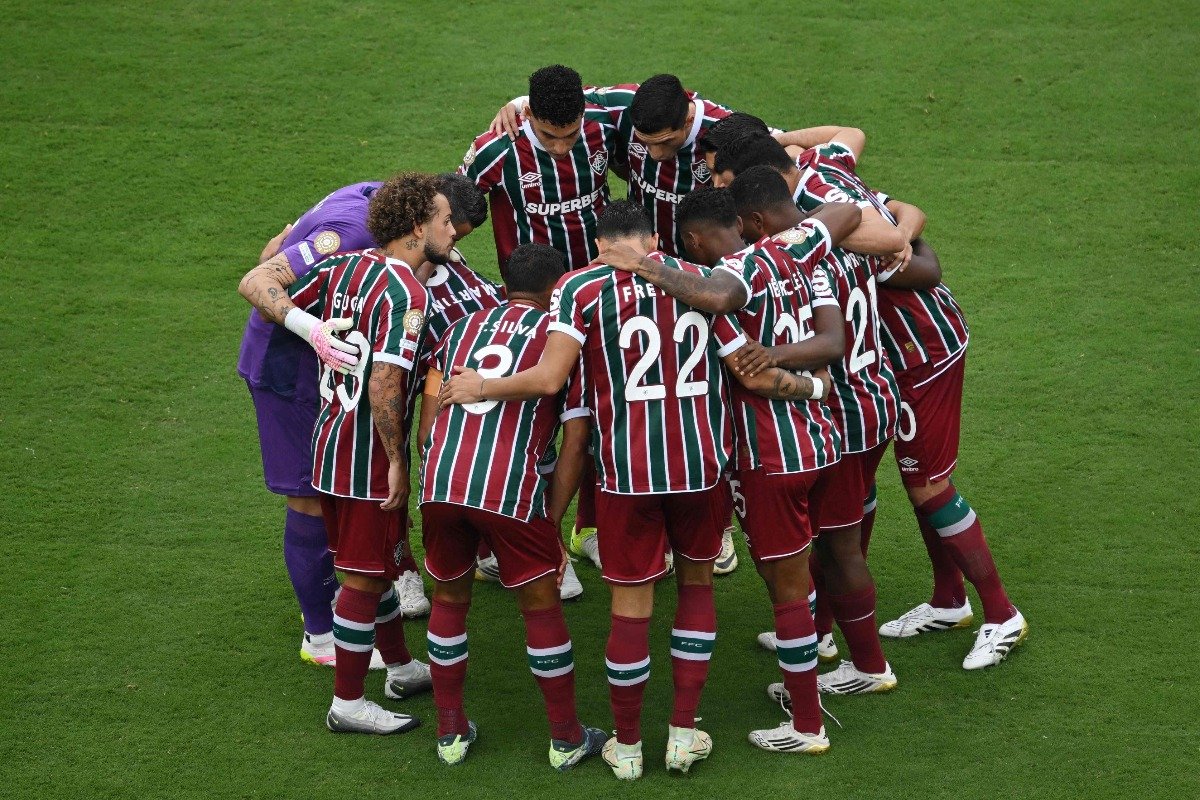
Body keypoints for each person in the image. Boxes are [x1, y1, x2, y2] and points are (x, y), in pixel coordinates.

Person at [439, 201, 829, 780]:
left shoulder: (579, 287)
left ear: (600, 245)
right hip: (701, 469)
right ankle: (681, 733)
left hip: (626, 476)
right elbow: (751, 371)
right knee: (696, 587)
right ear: (652, 238)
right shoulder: (696, 280)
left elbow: (549, 379)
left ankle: (625, 747)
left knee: (631, 605)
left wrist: (480, 387)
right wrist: (816, 389)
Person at [238, 172, 453, 734]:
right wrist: (398, 461)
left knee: (375, 568)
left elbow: (270, 278)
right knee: (361, 577)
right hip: (364, 457)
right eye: (445, 221)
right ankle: (348, 702)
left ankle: (400, 667)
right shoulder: (407, 292)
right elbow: (385, 384)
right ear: (415, 230)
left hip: (328, 441)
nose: (454, 230)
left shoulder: (341, 268)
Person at [671, 187, 850, 752]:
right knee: (799, 570)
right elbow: (832, 339)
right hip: (820, 440)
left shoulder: (728, 281)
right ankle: (809, 676)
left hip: (769, 455)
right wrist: (818, 383)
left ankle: (806, 725)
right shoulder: (794, 255)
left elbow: (744, 365)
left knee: (787, 588)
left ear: (695, 241)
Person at [414, 242, 606, 768]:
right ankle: (566, 738)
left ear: (505, 286)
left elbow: (429, 427)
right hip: (508, 490)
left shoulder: (459, 330)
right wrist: (552, 514)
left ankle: (450, 733)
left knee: (449, 601)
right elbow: (576, 441)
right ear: (555, 291)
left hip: (442, 483)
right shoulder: (561, 338)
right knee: (540, 608)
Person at [236, 181, 391, 665]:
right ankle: (321, 637)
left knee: (331, 490)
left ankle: (339, 616)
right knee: (309, 498)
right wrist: (313, 328)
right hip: (287, 369)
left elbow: (285, 242)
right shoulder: (351, 233)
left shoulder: (375, 195)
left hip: (320, 368)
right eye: (448, 227)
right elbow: (258, 279)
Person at [460, 64, 617, 271]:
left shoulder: (603, 126)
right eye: (549, 135)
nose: (560, 148)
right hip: (533, 287)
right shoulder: (496, 149)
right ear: (528, 112)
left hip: (600, 272)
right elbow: (451, 206)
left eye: (571, 134)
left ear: (583, 113)